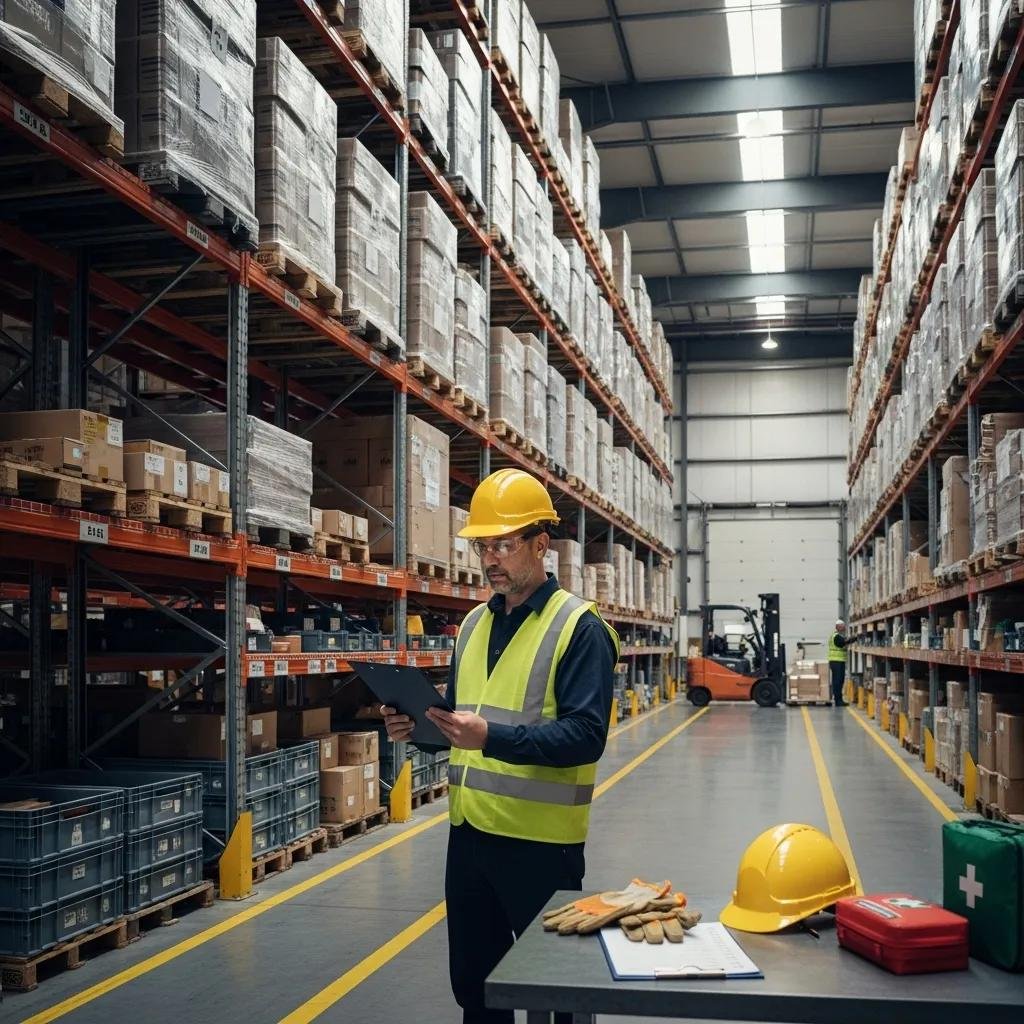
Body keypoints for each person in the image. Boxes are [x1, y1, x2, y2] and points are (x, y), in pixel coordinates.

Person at [383, 468, 620, 1024]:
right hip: (468, 842)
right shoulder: (471, 626)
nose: (490, 558)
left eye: (503, 545)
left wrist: (491, 737)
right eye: (482, 546)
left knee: (556, 994)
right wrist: (419, 729)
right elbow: (463, 721)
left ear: (541, 545)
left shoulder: (579, 629)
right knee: (477, 988)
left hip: (540, 847)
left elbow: (587, 737)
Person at [828, 619, 850, 707]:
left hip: (838, 661)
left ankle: (839, 699)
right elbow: (842, 643)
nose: (844, 628)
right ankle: (838, 701)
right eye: (842, 626)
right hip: (836, 661)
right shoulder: (836, 636)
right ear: (838, 627)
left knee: (839, 680)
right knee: (838, 681)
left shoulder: (837, 636)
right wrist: (854, 638)